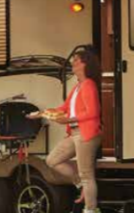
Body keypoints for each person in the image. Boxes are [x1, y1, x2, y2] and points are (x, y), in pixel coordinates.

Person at [33, 50, 103, 213]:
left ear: (85, 64)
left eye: (76, 61)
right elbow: (64, 108)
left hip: (86, 133)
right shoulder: (79, 85)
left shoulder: (89, 85)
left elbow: (93, 112)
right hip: (75, 133)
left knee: (87, 174)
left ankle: (90, 209)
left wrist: (68, 120)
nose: (73, 63)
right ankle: (80, 184)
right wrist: (41, 113)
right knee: (52, 160)